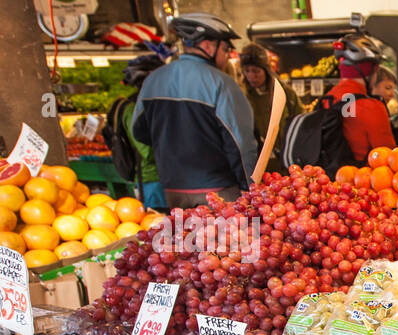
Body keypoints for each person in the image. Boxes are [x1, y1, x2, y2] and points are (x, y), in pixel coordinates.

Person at [132, 13, 258, 209]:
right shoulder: (222, 84)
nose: (226, 56)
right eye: (225, 49)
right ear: (207, 46)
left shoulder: (153, 80)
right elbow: (241, 144)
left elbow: (138, 131)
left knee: (185, 239)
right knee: (227, 240)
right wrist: (249, 187)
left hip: (173, 191)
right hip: (219, 192)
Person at [324, 32, 397, 164]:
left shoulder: (327, 99)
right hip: (361, 179)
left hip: (328, 180)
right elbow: (388, 157)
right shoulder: (371, 107)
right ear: (370, 71)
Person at [108, 53, 167, 209]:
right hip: (152, 180)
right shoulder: (133, 108)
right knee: (160, 225)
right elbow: (146, 150)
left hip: (167, 178)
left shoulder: (154, 105)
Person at [239, 43, 303, 175]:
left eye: (256, 71)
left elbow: (301, 124)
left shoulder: (285, 94)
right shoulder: (242, 97)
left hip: (286, 166)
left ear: (266, 70)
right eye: (247, 71)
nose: (251, 76)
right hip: (257, 169)